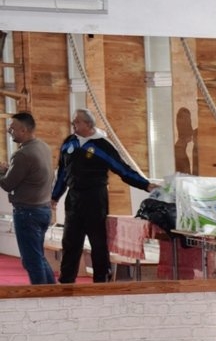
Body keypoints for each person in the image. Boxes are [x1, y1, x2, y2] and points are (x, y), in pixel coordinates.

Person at [51, 108, 157, 283]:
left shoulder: (103, 145)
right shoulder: (69, 143)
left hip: (95, 198)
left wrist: (145, 185)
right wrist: (55, 196)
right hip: (73, 198)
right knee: (70, 242)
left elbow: (123, 169)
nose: (73, 124)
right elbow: (62, 173)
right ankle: (66, 281)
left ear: (88, 124)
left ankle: (101, 280)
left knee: (98, 242)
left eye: (77, 121)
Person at [0, 112, 56, 285]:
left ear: (23, 130)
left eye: (12, 128)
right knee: (38, 256)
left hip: (27, 213)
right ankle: (52, 292)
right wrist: (7, 170)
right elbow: (30, 173)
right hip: (43, 209)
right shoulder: (43, 147)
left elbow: (7, 184)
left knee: (32, 261)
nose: (9, 130)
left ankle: (41, 295)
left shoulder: (22, 154)